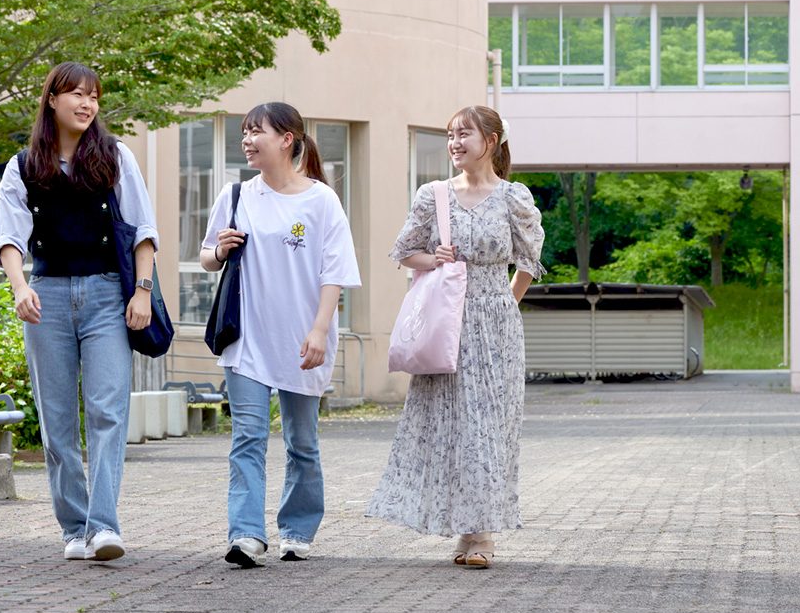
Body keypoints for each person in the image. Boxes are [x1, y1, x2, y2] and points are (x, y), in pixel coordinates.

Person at [367, 105, 545, 569]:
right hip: (446, 323)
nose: (454, 143)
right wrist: (435, 258)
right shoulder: (434, 196)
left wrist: (505, 303)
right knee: (450, 428)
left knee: (488, 428)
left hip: (496, 325)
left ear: (491, 140)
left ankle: (479, 533)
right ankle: (464, 528)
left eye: (463, 134)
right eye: (450, 136)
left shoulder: (513, 198)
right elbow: (404, 252)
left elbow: (529, 260)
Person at [0, 61, 158, 562]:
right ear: (52, 100)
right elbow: (9, 238)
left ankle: (104, 525)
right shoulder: (22, 166)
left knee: (109, 412)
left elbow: (142, 230)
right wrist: (20, 287)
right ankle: (73, 528)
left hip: (109, 295)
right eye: (77, 95)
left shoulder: (116, 156)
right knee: (58, 422)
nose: (87, 104)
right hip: (47, 298)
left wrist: (143, 292)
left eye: (94, 96)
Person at [201, 102, 361, 568]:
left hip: (302, 340)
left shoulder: (321, 201)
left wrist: (318, 330)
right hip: (246, 338)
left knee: (301, 442)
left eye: (257, 132)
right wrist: (219, 250)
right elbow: (208, 256)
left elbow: (336, 272)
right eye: (244, 133)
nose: (247, 140)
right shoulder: (236, 195)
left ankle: (296, 528)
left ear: (288, 139)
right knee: (247, 437)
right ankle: (246, 534)